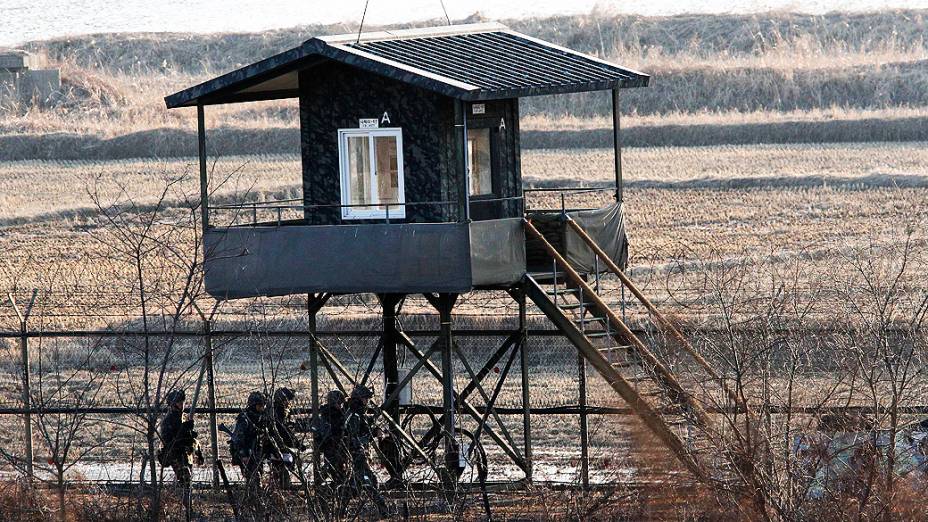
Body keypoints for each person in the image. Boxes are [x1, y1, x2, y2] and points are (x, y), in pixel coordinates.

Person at [344, 385, 393, 517]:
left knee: (359, 483)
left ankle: (341, 510)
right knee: (368, 481)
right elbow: (354, 438)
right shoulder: (354, 415)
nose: (367, 401)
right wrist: (373, 433)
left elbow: (362, 429)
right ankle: (384, 511)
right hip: (357, 454)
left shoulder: (356, 413)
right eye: (366, 398)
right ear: (359, 399)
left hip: (359, 453)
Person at [231, 391, 277, 492]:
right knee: (253, 479)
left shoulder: (261, 418)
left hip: (257, 453)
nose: (263, 407)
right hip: (247, 453)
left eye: (263, 405)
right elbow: (238, 439)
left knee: (257, 476)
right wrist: (244, 455)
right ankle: (253, 500)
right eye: (260, 405)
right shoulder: (245, 419)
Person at [158, 389, 204, 489]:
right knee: (185, 481)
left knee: (187, 482)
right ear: (173, 404)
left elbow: (192, 440)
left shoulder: (183, 418)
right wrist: (183, 430)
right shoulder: (168, 421)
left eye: (182, 402)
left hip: (186, 454)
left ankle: (185, 500)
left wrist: (198, 452)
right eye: (179, 402)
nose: (182, 405)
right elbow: (170, 442)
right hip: (176, 455)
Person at [269, 387, 305, 488]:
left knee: (281, 466)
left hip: (276, 444)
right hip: (276, 445)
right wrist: (297, 444)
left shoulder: (276, 411)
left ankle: (279, 487)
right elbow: (283, 431)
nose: (288, 403)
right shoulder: (279, 412)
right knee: (286, 462)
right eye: (287, 400)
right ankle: (282, 488)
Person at [313, 389, 349, 487]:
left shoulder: (336, 413)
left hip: (338, 446)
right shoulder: (330, 415)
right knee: (334, 470)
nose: (340, 405)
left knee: (338, 470)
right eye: (339, 403)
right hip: (332, 446)